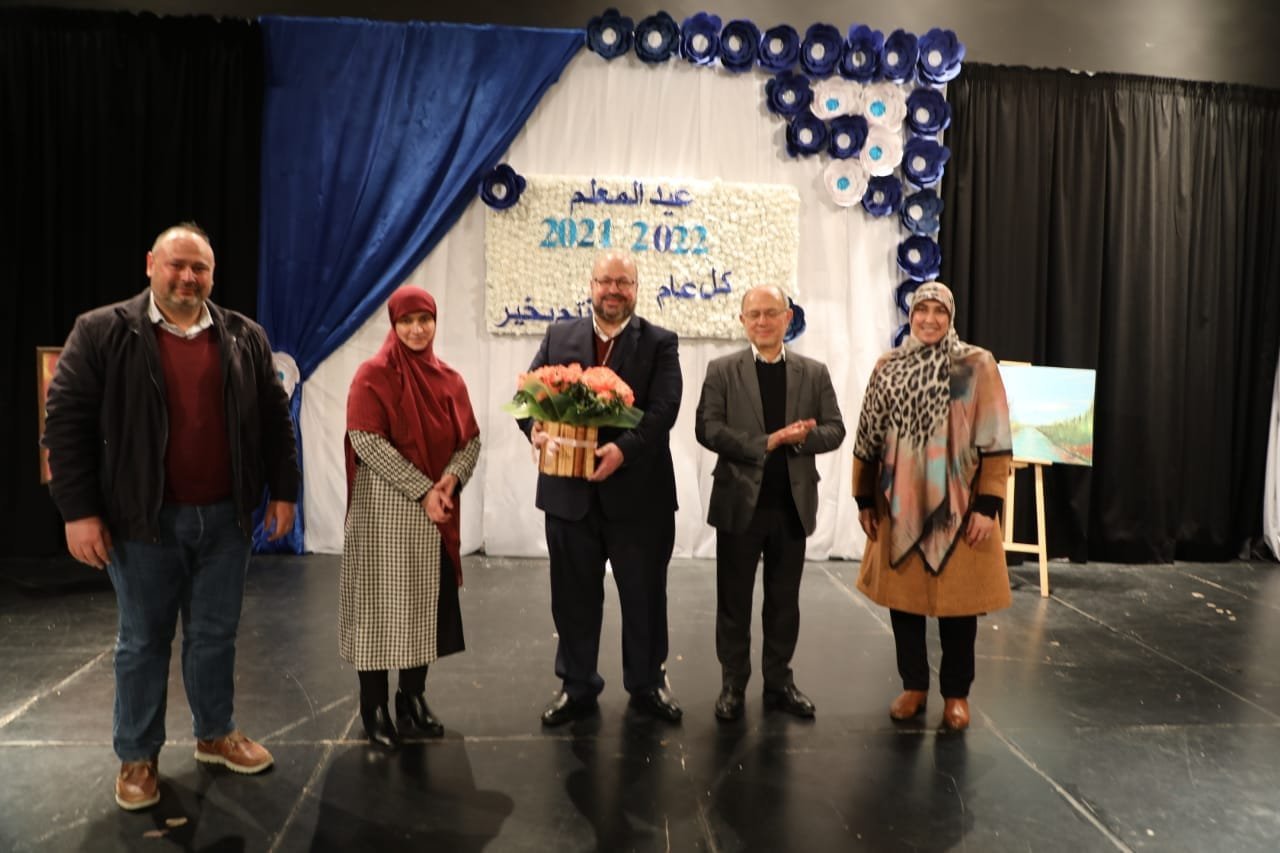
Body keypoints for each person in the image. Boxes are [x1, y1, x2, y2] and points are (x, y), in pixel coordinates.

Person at [43, 223, 299, 810]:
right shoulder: (101, 331)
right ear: (150, 264)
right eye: (176, 265)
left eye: (199, 268)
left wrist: (284, 492)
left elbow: (274, 421)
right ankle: (137, 756)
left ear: (213, 274)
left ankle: (215, 734)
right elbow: (65, 424)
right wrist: (78, 512)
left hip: (226, 522)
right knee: (142, 642)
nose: (188, 277)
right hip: (142, 524)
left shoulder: (245, 336)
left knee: (215, 636)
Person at [521, 249, 684, 726]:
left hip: (640, 497)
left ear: (636, 289)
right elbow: (528, 398)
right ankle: (576, 685)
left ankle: (647, 684)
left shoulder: (660, 342)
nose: (614, 290)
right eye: (605, 281)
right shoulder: (559, 336)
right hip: (569, 496)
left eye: (623, 282)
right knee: (572, 597)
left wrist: (624, 451)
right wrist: (535, 429)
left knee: (645, 596)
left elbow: (664, 410)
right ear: (591, 286)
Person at [851, 281, 1013, 732]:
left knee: (960, 607)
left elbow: (996, 436)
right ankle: (914, 687)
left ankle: (956, 695)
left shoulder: (976, 365)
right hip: (899, 504)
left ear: (950, 316)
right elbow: (868, 436)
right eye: (921, 310)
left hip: (959, 509)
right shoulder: (888, 366)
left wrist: (988, 505)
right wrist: (863, 497)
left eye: (938, 311)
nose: (929, 319)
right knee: (903, 604)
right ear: (910, 316)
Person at [695, 285, 846, 721]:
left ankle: (779, 682)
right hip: (739, 503)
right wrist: (767, 442)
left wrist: (801, 440)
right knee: (734, 602)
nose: (762, 321)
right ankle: (733, 684)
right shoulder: (722, 370)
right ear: (742, 321)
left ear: (788, 317)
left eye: (771, 313)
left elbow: (835, 429)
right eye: (754, 314)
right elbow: (707, 429)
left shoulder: (813, 373)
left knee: (784, 602)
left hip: (791, 506)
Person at [341, 286, 481, 751]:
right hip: (382, 515)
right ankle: (373, 706)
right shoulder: (372, 376)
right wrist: (423, 489)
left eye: (425, 320)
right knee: (379, 612)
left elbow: (470, 441)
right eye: (407, 321)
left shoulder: (449, 380)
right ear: (393, 324)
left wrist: (450, 480)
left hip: (433, 516)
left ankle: (412, 698)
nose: (417, 329)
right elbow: (365, 440)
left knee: (424, 611)